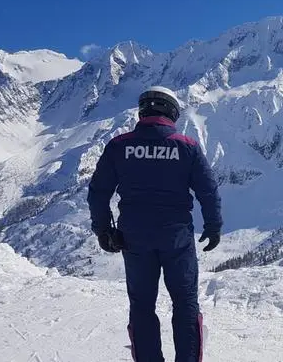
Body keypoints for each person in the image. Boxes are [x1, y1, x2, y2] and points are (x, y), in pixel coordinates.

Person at [88, 86, 222, 362]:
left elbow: (99, 191)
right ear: (172, 112)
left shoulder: (119, 145)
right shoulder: (187, 146)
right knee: (185, 304)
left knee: (142, 306)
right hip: (177, 238)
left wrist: (103, 229)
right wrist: (213, 225)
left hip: (134, 237)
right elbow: (208, 190)